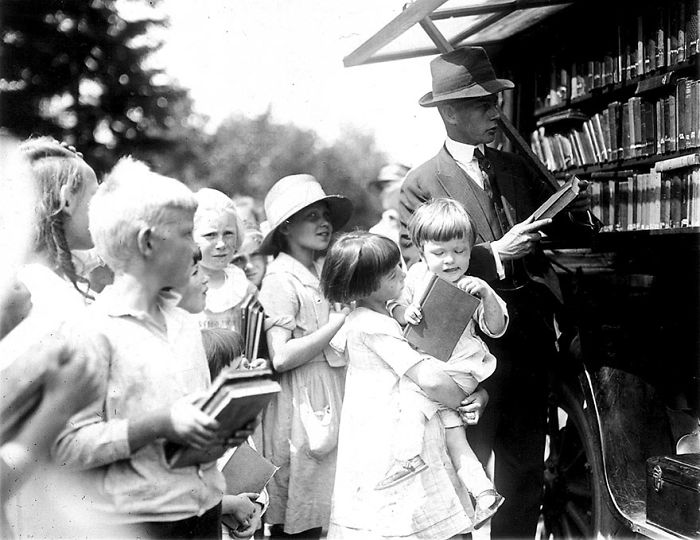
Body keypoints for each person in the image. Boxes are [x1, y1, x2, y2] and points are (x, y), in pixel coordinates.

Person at [399, 45, 589, 539]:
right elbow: (419, 267)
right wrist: (497, 253)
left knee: (524, 471)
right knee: (465, 467)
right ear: (448, 112)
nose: (495, 112)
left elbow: (553, 235)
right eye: (482, 104)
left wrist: (570, 208)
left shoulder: (512, 166)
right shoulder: (420, 184)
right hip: (468, 352)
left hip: (527, 343)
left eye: (494, 100)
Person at [52, 157, 252, 538]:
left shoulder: (185, 322)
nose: (196, 247)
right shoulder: (94, 330)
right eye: (183, 234)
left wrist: (224, 426)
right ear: (147, 243)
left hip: (205, 513)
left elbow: (190, 424)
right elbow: (66, 447)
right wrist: (156, 424)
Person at [322, 232, 487, 539]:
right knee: (404, 520)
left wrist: (476, 395)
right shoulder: (372, 325)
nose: (401, 273)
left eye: (399, 265)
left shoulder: (388, 316)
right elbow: (429, 378)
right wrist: (467, 397)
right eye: (391, 273)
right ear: (367, 286)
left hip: (408, 433)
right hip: (390, 440)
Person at [381, 198, 507, 527]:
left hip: (460, 369)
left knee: (410, 400)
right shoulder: (416, 277)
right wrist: (403, 311)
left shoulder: (472, 284)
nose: (450, 260)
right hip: (436, 365)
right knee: (455, 439)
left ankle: (407, 459)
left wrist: (487, 294)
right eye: (440, 252)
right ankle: (483, 494)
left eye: (459, 250)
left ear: (470, 249)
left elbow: (496, 327)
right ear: (421, 251)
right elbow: (394, 305)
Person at [257, 174, 353, 539]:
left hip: (330, 387)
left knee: (329, 508)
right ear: (286, 226)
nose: (323, 223)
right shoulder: (279, 279)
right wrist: (337, 322)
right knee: (302, 505)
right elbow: (280, 356)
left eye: (325, 214)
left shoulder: (321, 271)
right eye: (311, 216)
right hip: (301, 399)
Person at [201, 327, 269, 540]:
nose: (249, 366)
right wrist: (232, 505)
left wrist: (256, 508)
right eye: (240, 365)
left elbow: (256, 480)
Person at [194, 188, 257, 333]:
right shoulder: (178, 289)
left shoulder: (244, 288)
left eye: (228, 234)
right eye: (210, 235)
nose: (221, 244)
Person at [368, 163, 420, 268]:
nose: (383, 193)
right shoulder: (378, 231)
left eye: (388, 185)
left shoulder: (425, 218)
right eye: (381, 189)